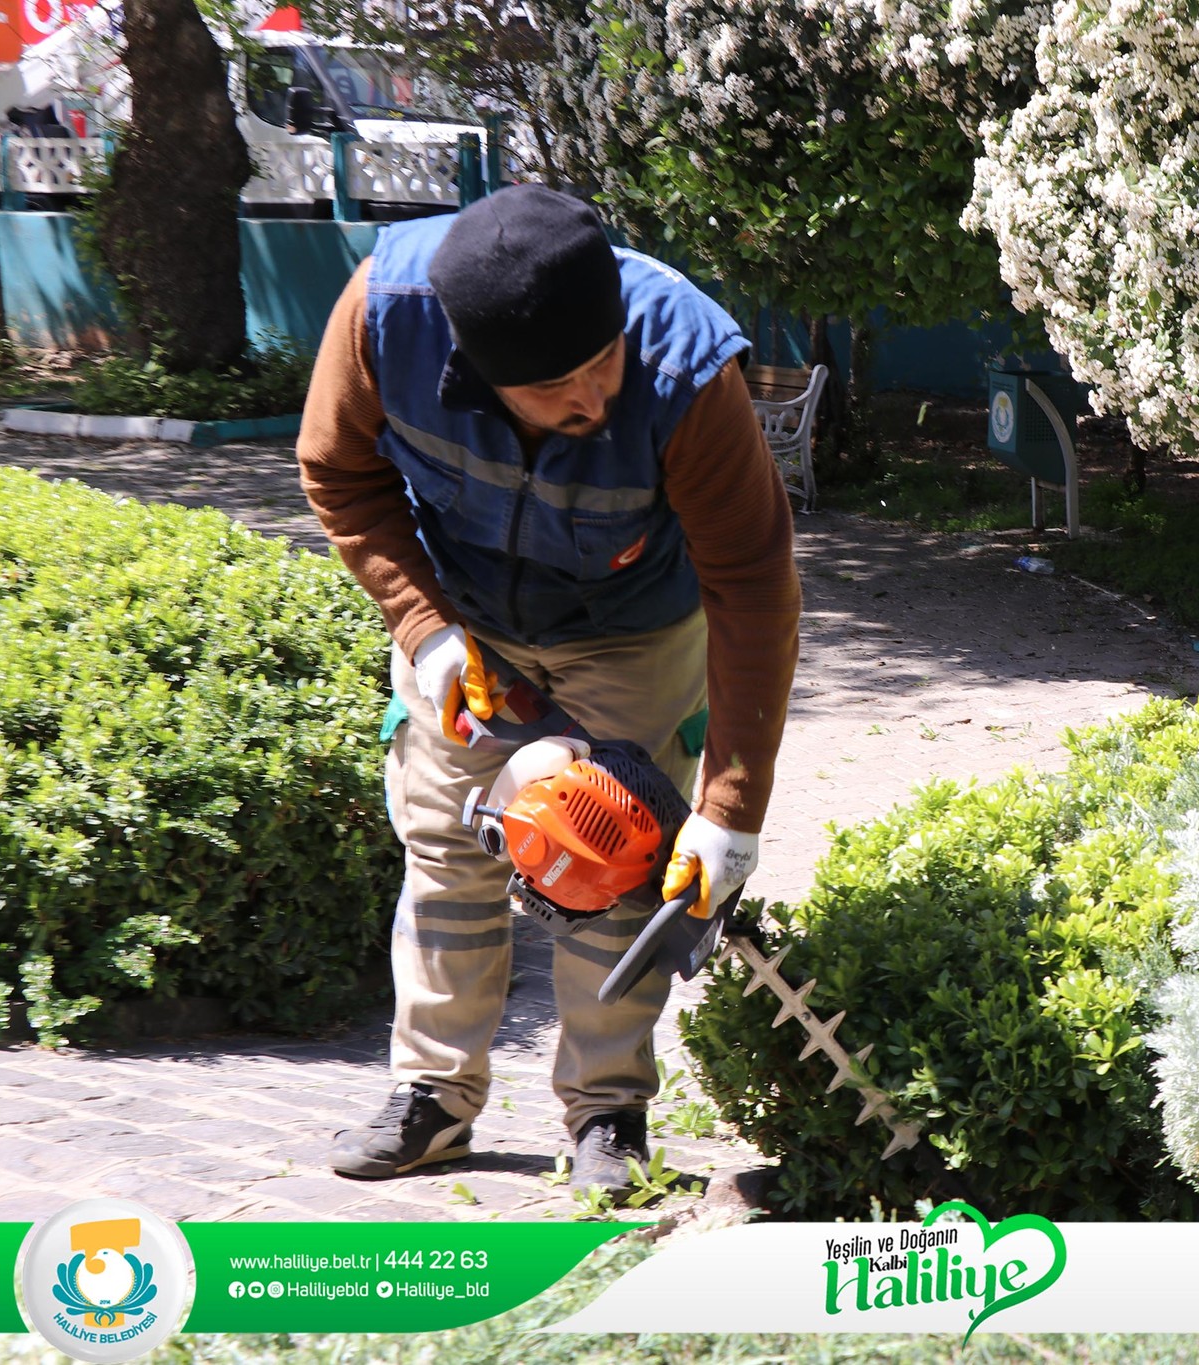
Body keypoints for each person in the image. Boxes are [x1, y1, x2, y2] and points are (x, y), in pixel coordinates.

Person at [296, 184, 800, 1197]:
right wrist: (424, 630)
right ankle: (433, 1098)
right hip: (465, 619)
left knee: (606, 854)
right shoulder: (383, 313)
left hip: (632, 629)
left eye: (604, 357)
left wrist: (728, 812)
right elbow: (338, 473)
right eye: (558, 385)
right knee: (446, 850)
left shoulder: (687, 369)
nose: (594, 396)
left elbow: (750, 581)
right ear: (474, 370)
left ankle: (606, 1111)